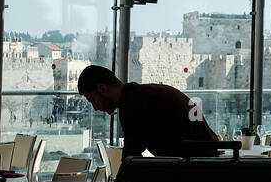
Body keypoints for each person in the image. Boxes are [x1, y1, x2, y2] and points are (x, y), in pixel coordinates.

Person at [77, 64, 218, 158]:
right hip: (206, 162)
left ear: (102, 89)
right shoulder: (145, 94)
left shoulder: (132, 104)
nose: (95, 108)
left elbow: (131, 158)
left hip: (195, 171)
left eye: (92, 100)